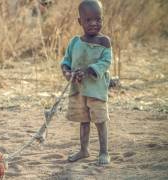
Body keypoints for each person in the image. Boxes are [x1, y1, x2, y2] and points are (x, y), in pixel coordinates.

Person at [60, 0, 112, 165]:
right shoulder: (75, 42)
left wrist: (89, 70)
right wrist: (67, 73)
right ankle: (84, 150)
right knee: (84, 121)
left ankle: (104, 152)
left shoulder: (104, 42)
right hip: (79, 90)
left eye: (98, 19)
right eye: (88, 20)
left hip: (96, 91)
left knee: (100, 121)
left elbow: (106, 62)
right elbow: (66, 61)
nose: (94, 23)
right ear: (80, 21)